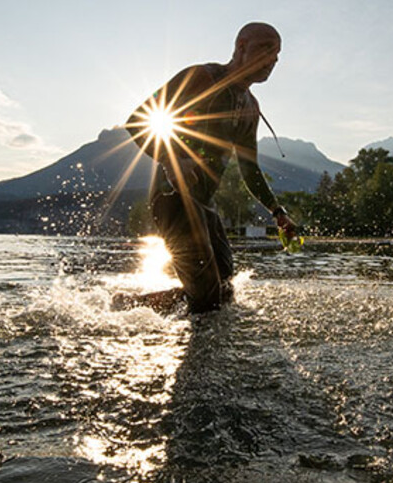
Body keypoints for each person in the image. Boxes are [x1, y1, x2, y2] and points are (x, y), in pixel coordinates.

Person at [121, 22, 298, 314]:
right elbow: (138, 120)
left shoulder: (251, 106)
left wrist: (277, 212)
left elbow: (250, 169)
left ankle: (129, 306)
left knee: (224, 293)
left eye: (277, 54)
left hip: (205, 204)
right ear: (241, 47)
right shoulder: (202, 76)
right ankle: (196, 353)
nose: (273, 60)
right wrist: (171, 158)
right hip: (172, 197)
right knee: (208, 300)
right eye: (266, 49)